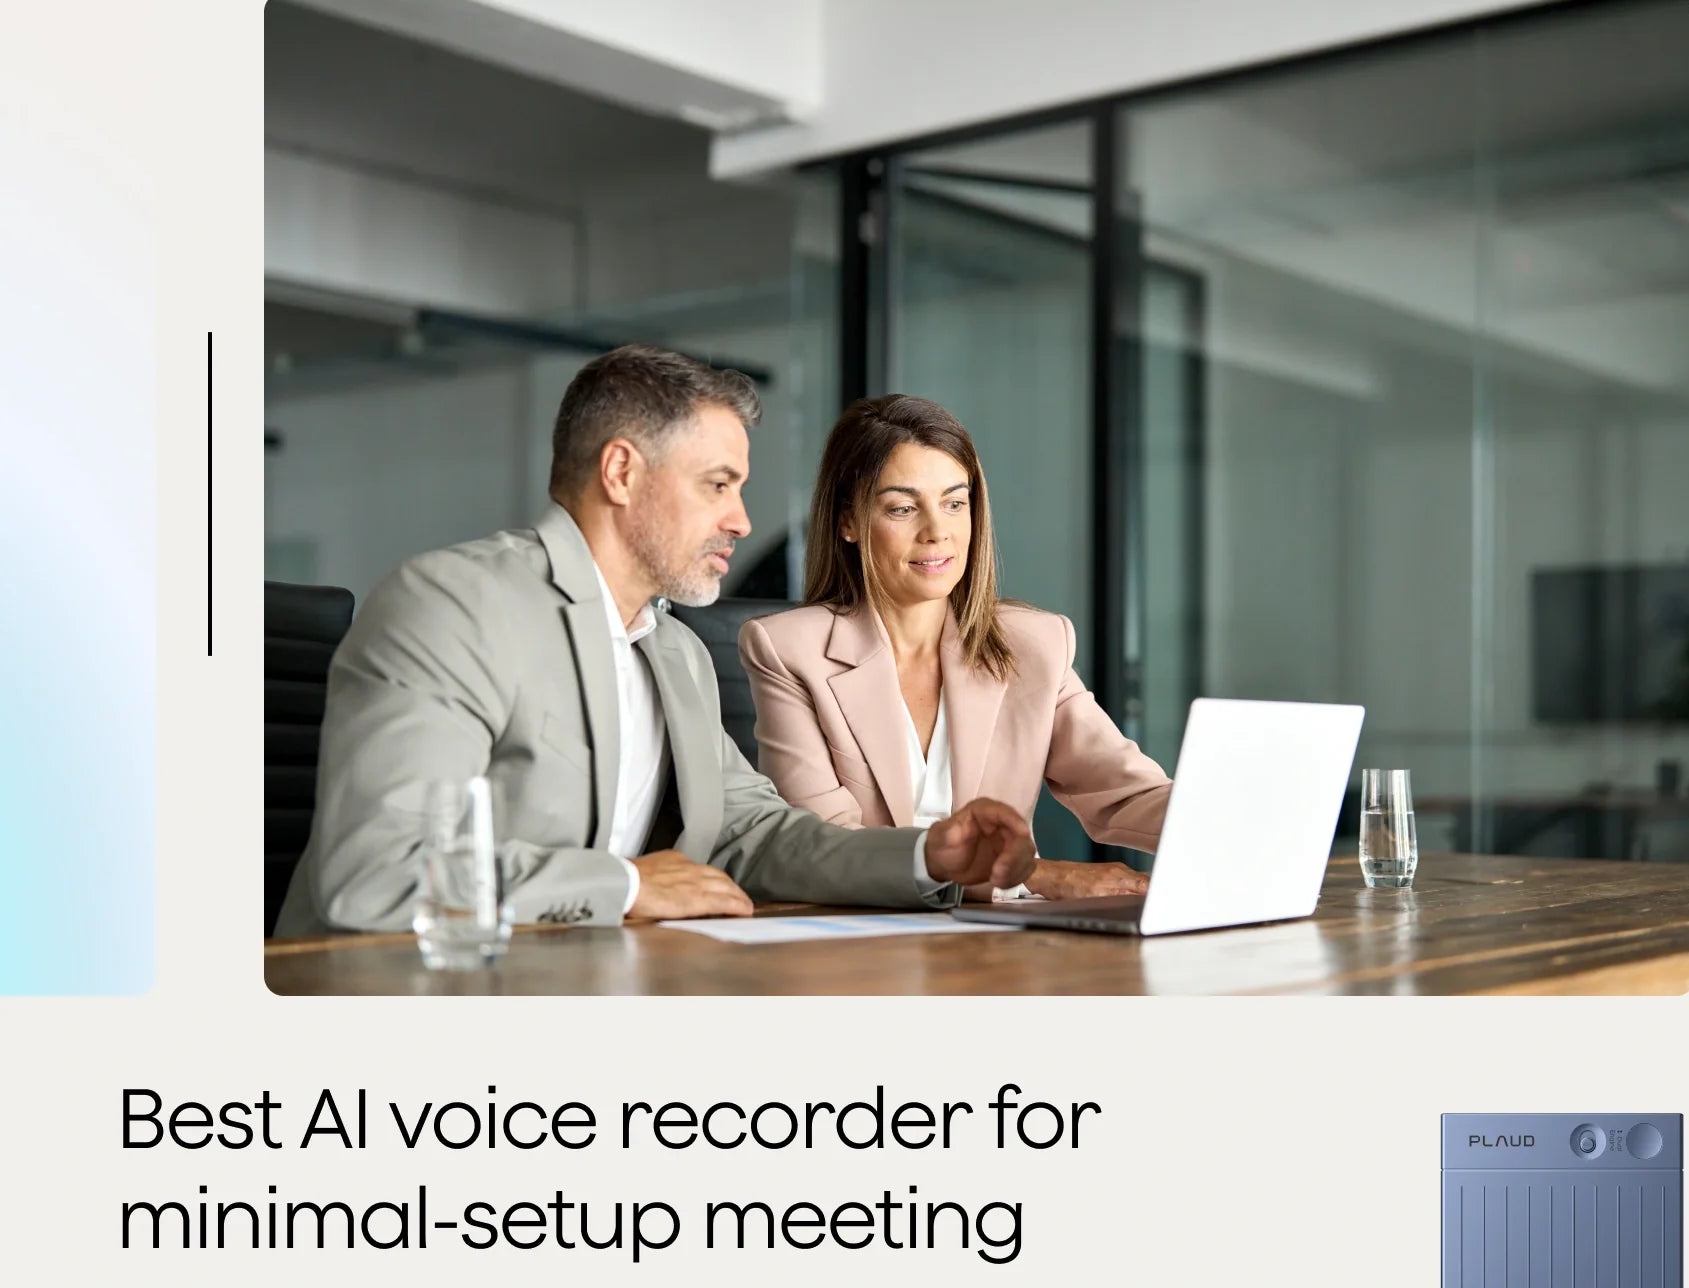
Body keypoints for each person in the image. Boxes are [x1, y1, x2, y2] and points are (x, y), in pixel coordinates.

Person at [274, 349, 1035, 938]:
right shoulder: (454, 606)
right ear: (621, 473)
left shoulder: (673, 650)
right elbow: (379, 873)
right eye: (718, 485)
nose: (741, 520)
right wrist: (630, 886)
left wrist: (926, 855)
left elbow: (754, 833)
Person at [738, 394, 1171, 901]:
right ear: (848, 522)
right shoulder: (788, 651)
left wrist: (1240, 818)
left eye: (954, 503)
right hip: (858, 932)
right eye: (903, 508)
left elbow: (1126, 793)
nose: (937, 532)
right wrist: (1036, 875)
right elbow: (825, 848)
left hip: (995, 937)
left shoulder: (1034, 644)